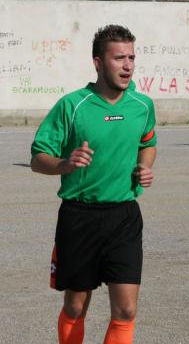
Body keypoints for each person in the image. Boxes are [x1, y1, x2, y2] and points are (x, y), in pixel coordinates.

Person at [30, 25, 157, 344]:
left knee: (126, 310)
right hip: (79, 217)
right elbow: (38, 158)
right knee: (75, 306)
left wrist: (145, 166)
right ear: (98, 62)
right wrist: (64, 164)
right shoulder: (72, 105)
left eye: (131, 58)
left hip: (124, 217)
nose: (128, 66)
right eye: (119, 58)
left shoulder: (142, 106)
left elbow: (148, 142)